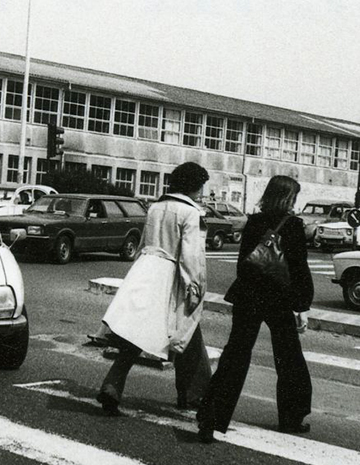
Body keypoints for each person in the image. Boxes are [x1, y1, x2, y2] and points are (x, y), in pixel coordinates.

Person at [197, 175, 314, 442]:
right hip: (279, 299)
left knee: (236, 355)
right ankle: (291, 417)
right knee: (288, 357)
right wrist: (301, 305)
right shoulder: (294, 226)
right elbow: (299, 269)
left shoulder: (254, 222)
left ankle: (211, 416)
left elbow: (243, 263)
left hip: (248, 295)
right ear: (288, 199)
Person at [96, 162, 213, 414]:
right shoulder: (191, 213)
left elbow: (145, 241)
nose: (201, 191)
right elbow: (191, 256)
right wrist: (195, 288)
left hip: (146, 268)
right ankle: (196, 395)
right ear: (193, 186)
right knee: (186, 332)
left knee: (134, 334)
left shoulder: (156, 207)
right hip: (172, 277)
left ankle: (112, 385)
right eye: (200, 186)